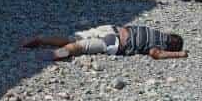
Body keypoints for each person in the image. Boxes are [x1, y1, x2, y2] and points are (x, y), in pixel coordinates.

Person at [23, 25, 187, 61]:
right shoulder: (159, 45)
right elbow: (155, 54)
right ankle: (54, 55)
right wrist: (178, 54)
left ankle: (42, 39)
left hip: (112, 28)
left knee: (72, 38)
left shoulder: (154, 31)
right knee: (80, 47)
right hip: (114, 41)